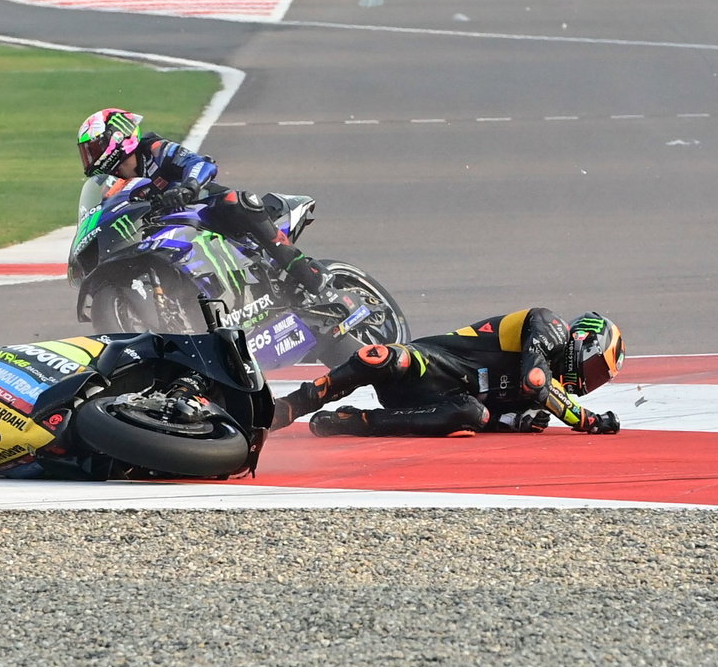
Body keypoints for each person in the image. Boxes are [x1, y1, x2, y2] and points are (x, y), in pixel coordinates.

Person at [76, 108, 347, 307]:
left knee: (237, 201)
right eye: (86, 151)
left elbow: (200, 163)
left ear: (118, 137)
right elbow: (106, 212)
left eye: (94, 147)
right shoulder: (111, 184)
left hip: (201, 206)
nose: (90, 156)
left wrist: (188, 186)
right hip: (165, 228)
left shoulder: (154, 149)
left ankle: (306, 274)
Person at [271, 308, 626, 437]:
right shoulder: (549, 326)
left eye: (599, 378)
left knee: (470, 416)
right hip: (431, 364)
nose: (588, 381)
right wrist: (587, 420)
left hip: (439, 402)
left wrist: (510, 422)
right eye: (594, 368)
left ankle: (351, 422)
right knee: (379, 357)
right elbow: (535, 381)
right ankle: (288, 407)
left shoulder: (536, 406)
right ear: (582, 341)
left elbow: (497, 415)